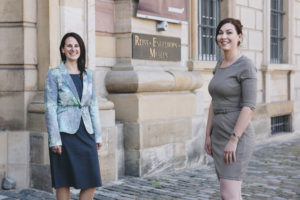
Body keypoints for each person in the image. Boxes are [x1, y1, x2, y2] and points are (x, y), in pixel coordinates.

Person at [45, 32, 102, 200]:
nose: (73, 49)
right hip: (64, 134)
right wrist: (54, 139)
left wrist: (97, 135)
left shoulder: (88, 74)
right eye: (69, 45)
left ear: (81, 49)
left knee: (91, 179)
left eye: (76, 46)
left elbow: (93, 105)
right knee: (64, 180)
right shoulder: (54, 74)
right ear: (63, 49)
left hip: (86, 132)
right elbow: (50, 107)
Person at [205, 18, 257, 200]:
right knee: (228, 192)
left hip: (237, 136)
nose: (223, 37)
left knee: (229, 194)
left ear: (239, 37)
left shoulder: (246, 65)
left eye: (229, 32)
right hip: (218, 135)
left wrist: (234, 140)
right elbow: (214, 102)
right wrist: (207, 135)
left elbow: (249, 106)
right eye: (220, 33)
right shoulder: (219, 65)